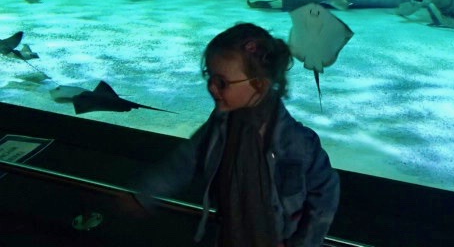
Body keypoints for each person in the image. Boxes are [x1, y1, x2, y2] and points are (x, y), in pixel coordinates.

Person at [134, 22, 340, 247]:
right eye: (209, 76)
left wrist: (303, 244)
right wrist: (145, 195)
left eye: (222, 82)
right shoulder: (219, 125)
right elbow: (184, 161)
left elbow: (325, 192)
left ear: (259, 85)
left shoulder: (297, 142)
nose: (212, 87)